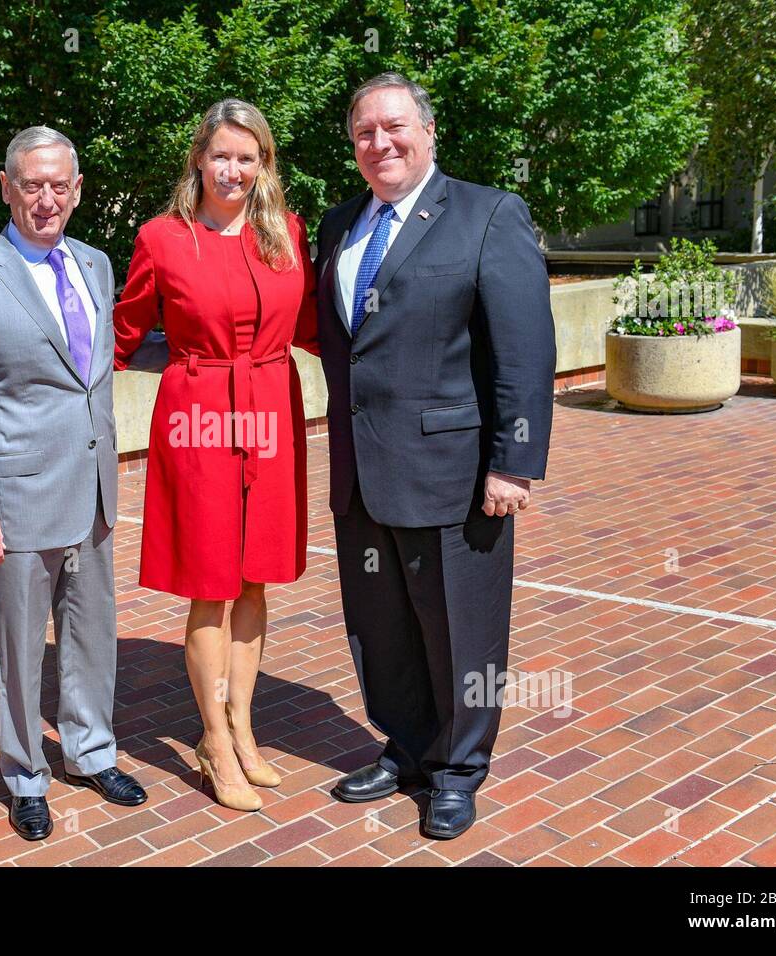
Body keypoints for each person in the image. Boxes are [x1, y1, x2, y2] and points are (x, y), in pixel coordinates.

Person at [313, 73, 556, 839]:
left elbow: (525, 348)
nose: (379, 144)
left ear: (428, 130)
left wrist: (513, 461)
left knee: (461, 626)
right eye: (363, 133)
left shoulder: (488, 214)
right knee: (381, 626)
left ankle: (459, 769)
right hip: (362, 472)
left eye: (393, 128)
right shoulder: (340, 224)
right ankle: (408, 748)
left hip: (453, 473)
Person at [0, 126, 146, 842]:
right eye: (31, 184)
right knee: (20, 651)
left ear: (78, 190)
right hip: (16, 502)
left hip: (91, 492)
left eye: (60, 185)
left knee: (91, 635)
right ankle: (25, 775)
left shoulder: (95, 263)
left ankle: (90, 751)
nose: (45, 199)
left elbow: (92, 383)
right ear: (6, 186)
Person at [112, 99, 319, 812]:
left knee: (257, 580)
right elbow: (125, 332)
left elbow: (319, 325)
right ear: (198, 157)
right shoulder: (163, 238)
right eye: (221, 155)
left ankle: (242, 724)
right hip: (199, 410)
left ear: (264, 164)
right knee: (212, 583)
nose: (232, 170)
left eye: (247, 156)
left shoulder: (285, 233)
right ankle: (213, 741)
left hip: (269, 407)